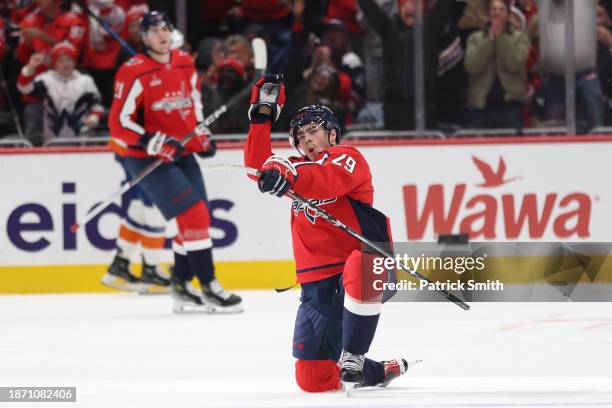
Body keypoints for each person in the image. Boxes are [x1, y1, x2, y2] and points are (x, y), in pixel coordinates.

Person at [244, 75, 409, 393]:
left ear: (332, 133)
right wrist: (262, 118)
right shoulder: (293, 169)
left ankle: (354, 356)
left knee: (361, 268)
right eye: (299, 135)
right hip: (317, 283)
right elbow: (258, 168)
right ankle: (376, 371)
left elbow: (324, 178)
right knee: (312, 380)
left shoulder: (349, 158)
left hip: (363, 267)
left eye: (312, 131)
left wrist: (286, 174)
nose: (306, 139)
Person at [108, 10, 242, 313]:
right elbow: (119, 124)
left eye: (165, 28)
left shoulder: (183, 61)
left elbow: (192, 106)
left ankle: (181, 284)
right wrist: (152, 141)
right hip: (146, 159)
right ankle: (209, 286)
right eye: (153, 30)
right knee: (194, 216)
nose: (161, 34)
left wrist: (202, 135)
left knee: (198, 218)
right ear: (143, 38)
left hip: (182, 153)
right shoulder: (133, 71)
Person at [16, 41, 104, 143]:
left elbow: (97, 105)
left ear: (74, 62)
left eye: (68, 60)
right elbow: (24, 88)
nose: (65, 64)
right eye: (61, 61)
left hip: (82, 138)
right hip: (51, 141)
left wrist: (94, 118)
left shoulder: (85, 81)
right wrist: (30, 67)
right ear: (54, 63)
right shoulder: (46, 80)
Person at [464, 0, 529, 130]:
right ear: (488, 14)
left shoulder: (520, 38)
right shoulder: (475, 38)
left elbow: (515, 64)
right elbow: (471, 66)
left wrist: (501, 38)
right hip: (481, 108)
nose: (497, 13)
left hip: (510, 107)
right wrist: (489, 40)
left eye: (501, 9)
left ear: (508, 14)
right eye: (493, 9)